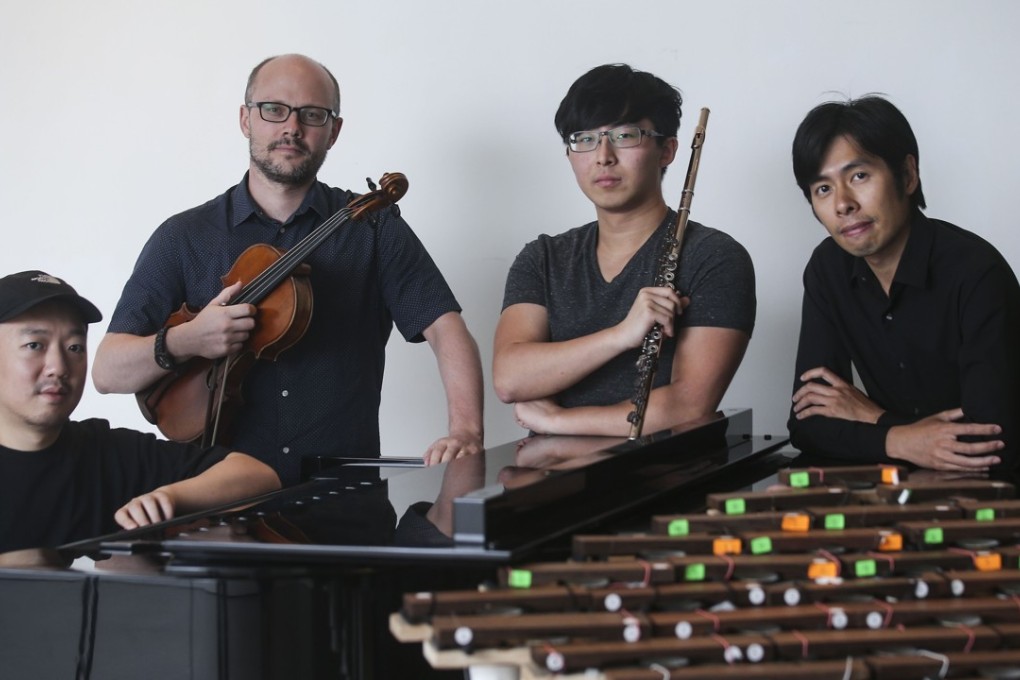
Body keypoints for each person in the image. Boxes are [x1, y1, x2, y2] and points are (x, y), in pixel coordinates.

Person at [92, 54, 484, 486]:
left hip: (342, 500)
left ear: (333, 131)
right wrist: (189, 339)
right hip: (214, 500)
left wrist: (465, 430)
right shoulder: (183, 237)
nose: (291, 128)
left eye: (312, 115)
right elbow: (108, 372)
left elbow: (446, 329)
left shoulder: (373, 225)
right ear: (246, 119)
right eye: (273, 110)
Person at [493, 64, 755, 437]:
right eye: (583, 139)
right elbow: (510, 378)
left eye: (624, 135)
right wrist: (621, 334)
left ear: (667, 150)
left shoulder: (714, 257)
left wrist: (557, 421)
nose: (603, 155)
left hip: (665, 480)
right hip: (548, 478)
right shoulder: (543, 257)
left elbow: (689, 405)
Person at [788, 95, 1020, 473]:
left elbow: (990, 445)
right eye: (823, 189)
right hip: (898, 491)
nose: (843, 204)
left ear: (908, 175)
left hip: (997, 499)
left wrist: (874, 417)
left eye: (859, 176)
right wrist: (902, 439)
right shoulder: (827, 269)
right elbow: (808, 423)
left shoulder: (977, 272)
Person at [0, 270, 281, 555]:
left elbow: (258, 477)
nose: (58, 367)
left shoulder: (106, 451)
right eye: (34, 345)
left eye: (75, 347)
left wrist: (170, 497)